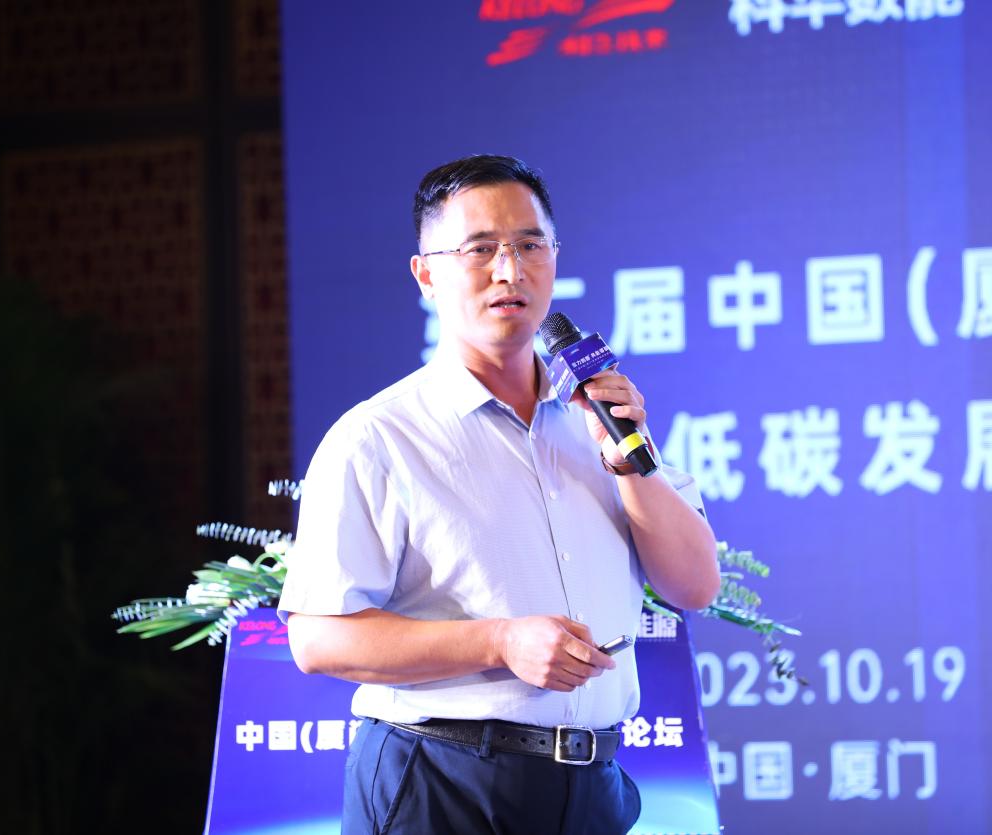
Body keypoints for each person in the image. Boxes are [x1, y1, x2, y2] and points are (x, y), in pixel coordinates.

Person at [278, 154, 720, 835]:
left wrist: (629, 462)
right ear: (426, 274)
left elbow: (693, 584)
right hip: (440, 779)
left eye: (530, 245)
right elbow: (316, 639)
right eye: (480, 249)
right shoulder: (377, 437)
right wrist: (499, 641)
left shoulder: (600, 415)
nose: (510, 270)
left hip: (591, 784)